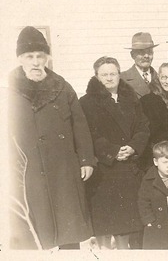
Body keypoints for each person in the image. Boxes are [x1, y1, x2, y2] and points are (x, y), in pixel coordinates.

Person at [8, 26, 96, 249]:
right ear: (20, 59)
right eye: (30, 57)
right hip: (30, 173)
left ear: (47, 57)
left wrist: (86, 159)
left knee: (69, 231)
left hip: (63, 171)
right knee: (38, 235)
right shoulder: (9, 91)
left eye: (40, 56)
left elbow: (80, 125)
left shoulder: (62, 87)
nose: (36, 62)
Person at [79, 56, 150, 249]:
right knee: (104, 225)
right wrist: (113, 151)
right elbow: (88, 134)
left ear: (119, 75)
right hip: (104, 171)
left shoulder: (131, 98)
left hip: (128, 168)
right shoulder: (86, 102)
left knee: (125, 225)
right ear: (97, 77)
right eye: (104, 74)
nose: (109, 78)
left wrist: (133, 147)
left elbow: (143, 127)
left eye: (113, 73)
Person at [121, 32, 158, 98]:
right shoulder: (122, 79)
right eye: (142, 52)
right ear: (132, 55)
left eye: (149, 52)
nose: (146, 56)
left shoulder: (162, 78)